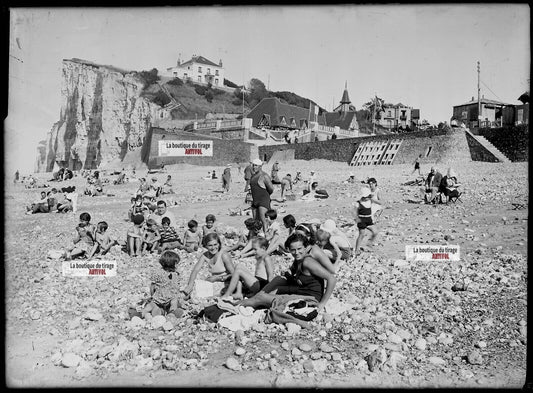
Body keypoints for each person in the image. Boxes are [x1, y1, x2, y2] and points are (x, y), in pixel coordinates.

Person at [240, 233, 337, 312]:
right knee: (277, 284)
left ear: (305, 248)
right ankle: (256, 299)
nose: (296, 252)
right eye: (293, 250)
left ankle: (239, 304)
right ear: (289, 250)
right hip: (301, 290)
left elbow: (331, 279)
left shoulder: (308, 262)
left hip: (310, 297)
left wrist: (322, 303)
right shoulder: (298, 260)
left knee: (263, 297)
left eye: (299, 249)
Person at [142, 251, 185, 318]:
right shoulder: (176, 274)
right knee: (174, 302)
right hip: (170, 298)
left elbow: (152, 285)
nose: (178, 265)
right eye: (177, 263)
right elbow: (177, 287)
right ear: (173, 264)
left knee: (151, 305)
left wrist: (152, 295)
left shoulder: (158, 273)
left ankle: (145, 313)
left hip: (158, 298)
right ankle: (171, 313)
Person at [249, 158, 274, 235]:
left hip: (263, 201)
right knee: (255, 221)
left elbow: (271, 189)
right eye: (253, 165)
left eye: (255, 165)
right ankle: (255, 237)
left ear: (260, 166)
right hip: (255, 200)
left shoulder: (264, 176)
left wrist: (265, 196)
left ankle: (266, 237)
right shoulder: (253, 176)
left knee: (264, 221)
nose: (254, 167)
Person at [354, 187, 379, 255]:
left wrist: (382, 205)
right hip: (361, 220)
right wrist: (356, 218)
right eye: (367, 196)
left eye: (369, 196)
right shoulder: (358, 203)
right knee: (362, 234)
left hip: (368, 219)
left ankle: (369, 244)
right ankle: (356, 249)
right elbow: (354, 212)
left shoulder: (370, 200)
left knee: (375, 232)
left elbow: (378, 202)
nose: (368, 197)